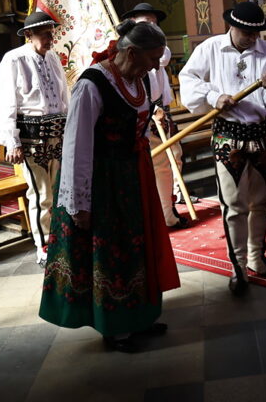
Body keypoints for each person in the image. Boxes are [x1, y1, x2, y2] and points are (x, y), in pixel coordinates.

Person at [39, 20, 180, 353]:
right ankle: (114, 327)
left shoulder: (141, 78)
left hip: (133, 177)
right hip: (101, 182)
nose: (155, 67)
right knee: (110, 253)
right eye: (152, 58)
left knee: (137, 248)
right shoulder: (92, 85)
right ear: (131, 53)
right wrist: (79, 204)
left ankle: (140, 316)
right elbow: (76, 148)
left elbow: (138, 126)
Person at [179, 1, 266, 295]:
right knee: (234, 205)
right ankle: (238, 266)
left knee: (261, 202)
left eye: (256, 33)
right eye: (247, 32)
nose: (252, 38)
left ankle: (257, 259)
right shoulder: (210, 48)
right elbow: (188, 80)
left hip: (264, 135)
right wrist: (214, 97)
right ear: (232, 26)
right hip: (229, 136)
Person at [0, 10, 69, 267]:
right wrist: (12, 141)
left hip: (56, 134)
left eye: (51, 33)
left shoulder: (53, 57)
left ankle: (60, 239)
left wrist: (69, 128)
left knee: (59, 191)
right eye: (44, 34)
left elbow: (63, 95)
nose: (50, 38)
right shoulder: (14, 59)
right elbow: (5, 101)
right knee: (42, 193)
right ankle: (43, 245)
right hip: (31, 138)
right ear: (28, 34)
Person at [122, 2, 187, 228]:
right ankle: (161, 214)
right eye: (145, 22)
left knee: (170, 159)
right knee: (156, 164)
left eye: (153, 22)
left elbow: (163, 56)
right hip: (141, 113)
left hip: (158, 109)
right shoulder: (129, 51)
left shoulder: (159, 47)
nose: (151, 26)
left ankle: (168, 209)